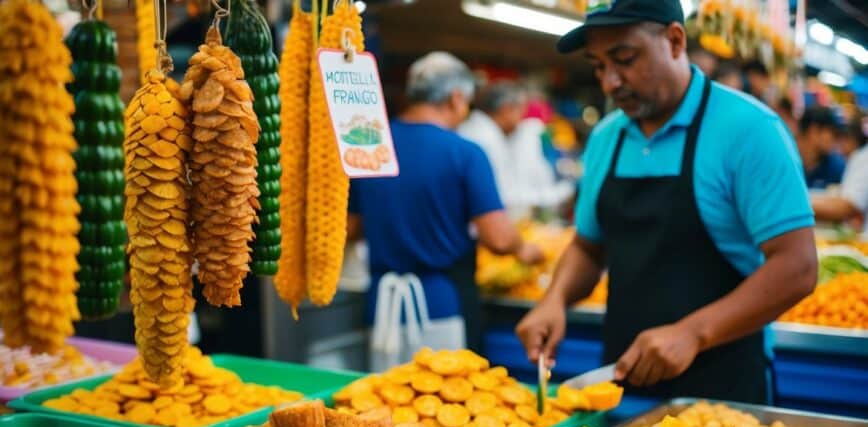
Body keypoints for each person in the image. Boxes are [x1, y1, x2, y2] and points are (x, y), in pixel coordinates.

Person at [516, 0, 817, 403]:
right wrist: (555, 299)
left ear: (675, 40)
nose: (609, 82)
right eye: (599, 65)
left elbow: (796, 266)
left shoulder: (748, 130)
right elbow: (589, 247)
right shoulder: (607, 138)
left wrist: (693, 332)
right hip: (623, 383)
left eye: (624, 59)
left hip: (723, 393)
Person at [348, 52, 543, 361]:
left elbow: (351, 229)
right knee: (441, 402)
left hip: (380, 307)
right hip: (440, 310)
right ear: (455, 99)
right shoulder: (464, 153)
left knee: (381, 403)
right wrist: (526, 250)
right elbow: (499, 237)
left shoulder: (369, 145)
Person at [459, 82, 573, 220]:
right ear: (506, 109)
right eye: (520, 110)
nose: (521, 118)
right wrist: (559, 193)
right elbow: (505, 197)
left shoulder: (477, 130)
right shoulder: (488, 139)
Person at [812, 116, 868, 228]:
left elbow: (847, 206)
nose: (839, 147)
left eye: (843, 140)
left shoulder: (862, 158)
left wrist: (797, 204)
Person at [798, 106, 846, 190]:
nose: (835, 139)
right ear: (814, 131)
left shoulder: (836, 166)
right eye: (833, 133)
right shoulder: (789, 159)